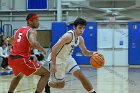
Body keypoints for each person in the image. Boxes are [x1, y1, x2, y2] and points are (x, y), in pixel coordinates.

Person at [45, 18, 97, 93]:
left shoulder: (80, 39)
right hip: (58, 59)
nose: (81, 30)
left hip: (68, 58)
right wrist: (53, 64)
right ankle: (47, 83)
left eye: (83, 28)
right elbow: (54, 48)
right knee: (61, 85)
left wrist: (94, 53)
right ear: (74, 27)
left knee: (81, 75)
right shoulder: (68, 36)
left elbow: (85, 52)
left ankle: (92, 92)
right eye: (79, 28)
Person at [8, 13, 50, 93]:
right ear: (30, 21)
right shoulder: (32, 31)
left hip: (12, 59)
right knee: (46, 74)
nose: (38, 22)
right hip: (21, 60)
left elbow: (10, 41)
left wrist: (19, 45)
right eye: (36, 21)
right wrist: (41, 49)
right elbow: (33, 43)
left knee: (18, 76)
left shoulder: (19, 30)